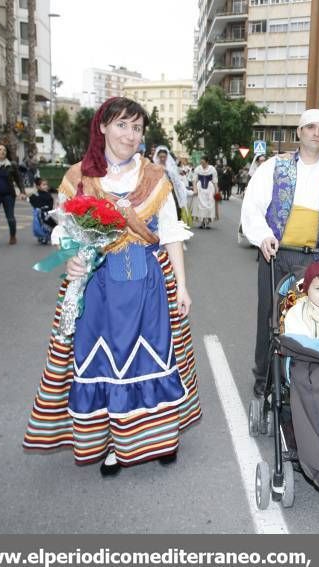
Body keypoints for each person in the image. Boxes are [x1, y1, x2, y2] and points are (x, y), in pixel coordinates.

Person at [23, 96, 201, 477]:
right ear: (102, 126)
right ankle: (113, 447)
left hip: (148, 284)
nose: (129, 134)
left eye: (137, 128)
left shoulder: (155, 177)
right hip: (99, 285)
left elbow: (170, 235)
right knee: (106, 363)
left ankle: (162, 438)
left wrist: (182, 287)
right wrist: (70, 256)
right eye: (122, 124)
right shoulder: (79, 177)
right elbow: (65, 231)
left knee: (153, 359)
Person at [240, 108, 319, 398]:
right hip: (277, 255)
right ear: (299, 132)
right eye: (310, 127)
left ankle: (304, 378)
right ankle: (264, 378)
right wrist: (264, 236)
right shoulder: (275, 166)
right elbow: (253, 207)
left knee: (311, 318)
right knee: (270, 318)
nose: (316, 133)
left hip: (315, 259)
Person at [152, 145, 189, 221]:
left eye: (164, 157)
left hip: (169, 191)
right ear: (158, 157)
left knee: (171, 208)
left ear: (167, 157)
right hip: (158, 192)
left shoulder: (171, 168)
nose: (162, 159)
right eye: (161, 157)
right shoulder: (154, 167)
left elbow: (176, 181)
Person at [192, 157, 218, 229]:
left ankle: (207, 221)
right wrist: (195, 189)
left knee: (210, 204)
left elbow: (215, 181)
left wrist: (217, 191)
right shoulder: (198, 169)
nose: (202, 164)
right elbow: (194, 180)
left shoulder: (212, 169)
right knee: (200, 204)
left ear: (207, 162)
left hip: (210, 188)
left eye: (203, 162)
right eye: (201, 162)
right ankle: (202, 221)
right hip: (200, 187)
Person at [28, 177, 55, 245]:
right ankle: (42, 236)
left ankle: (47, 236)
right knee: (39, 225)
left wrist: (48, 208)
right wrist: (39, 208)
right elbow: (33, 202)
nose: (46, 186)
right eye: (43, 185)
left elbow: (51, 204)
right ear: (38, 186)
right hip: (39, 213)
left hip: (47, 213)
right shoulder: (35, 195)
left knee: (49, 224)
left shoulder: (48, 195)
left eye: (46, 184)